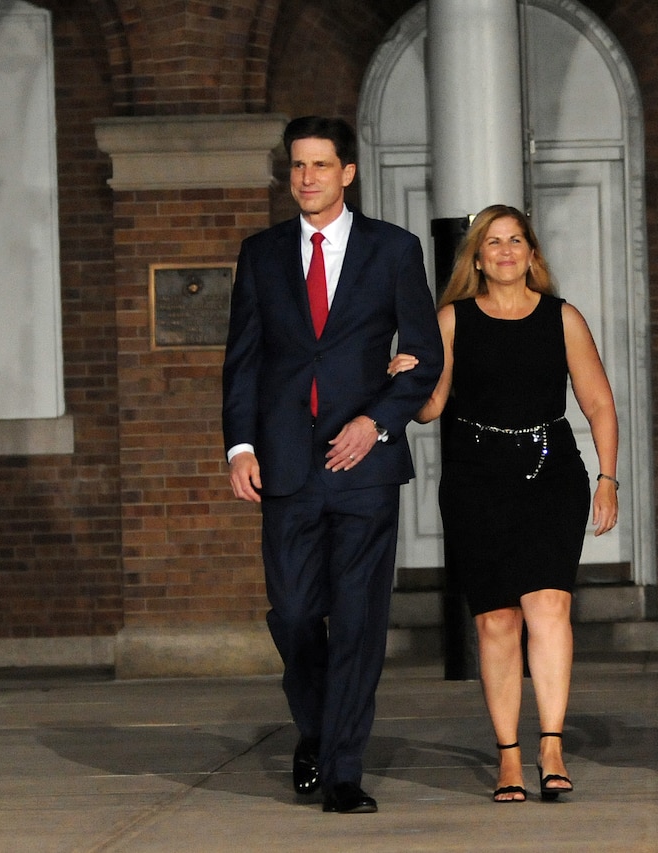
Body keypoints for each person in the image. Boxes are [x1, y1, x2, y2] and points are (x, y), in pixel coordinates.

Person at [221, 115, 443, 814]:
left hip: (364, 469)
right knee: (292, 613)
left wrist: (376, 421)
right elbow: (244, 360)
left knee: (356, 620)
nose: (308, 178)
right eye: (297, 166)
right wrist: (240, 445)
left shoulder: (393, 249)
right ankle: (316, 728)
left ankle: (344, 766)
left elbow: (426, 358)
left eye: (321, 165)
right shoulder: (261, 254)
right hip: (286, 465)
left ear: (348, 172)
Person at [389, 204, 619, 803]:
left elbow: (598, 404)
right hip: (476, 478)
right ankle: (509, 758)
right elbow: (429, 408)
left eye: (516, 240)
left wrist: (608, 478)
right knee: (496, 621)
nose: (506, 250)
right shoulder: (452, 319)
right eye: (493, 242)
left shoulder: (562, 318)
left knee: (549, 607)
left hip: (551, 474)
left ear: (533, 254)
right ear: (477, 257)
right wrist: (405, 376)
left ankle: (550, 746)